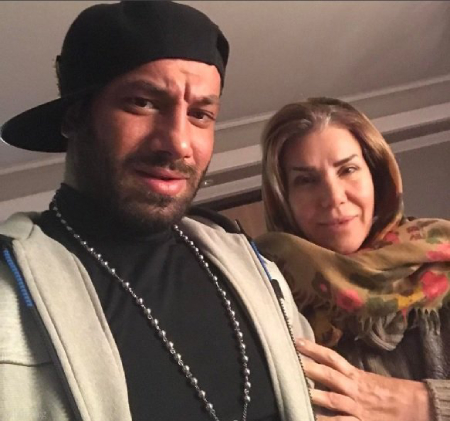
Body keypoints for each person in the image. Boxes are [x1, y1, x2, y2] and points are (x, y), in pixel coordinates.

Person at [0, 2, 316, 421]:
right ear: (74, 117)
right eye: (143, 102)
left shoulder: (258, 270)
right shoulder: (9, 291)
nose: (178, 143)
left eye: (200, 114)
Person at [256, 97, 450, 421]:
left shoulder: (443, 260)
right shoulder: (262, 298)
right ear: (283, 199)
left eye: (348, 170)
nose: (333, 197)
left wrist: (421, 403)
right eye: (306, 180)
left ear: (376, 175)